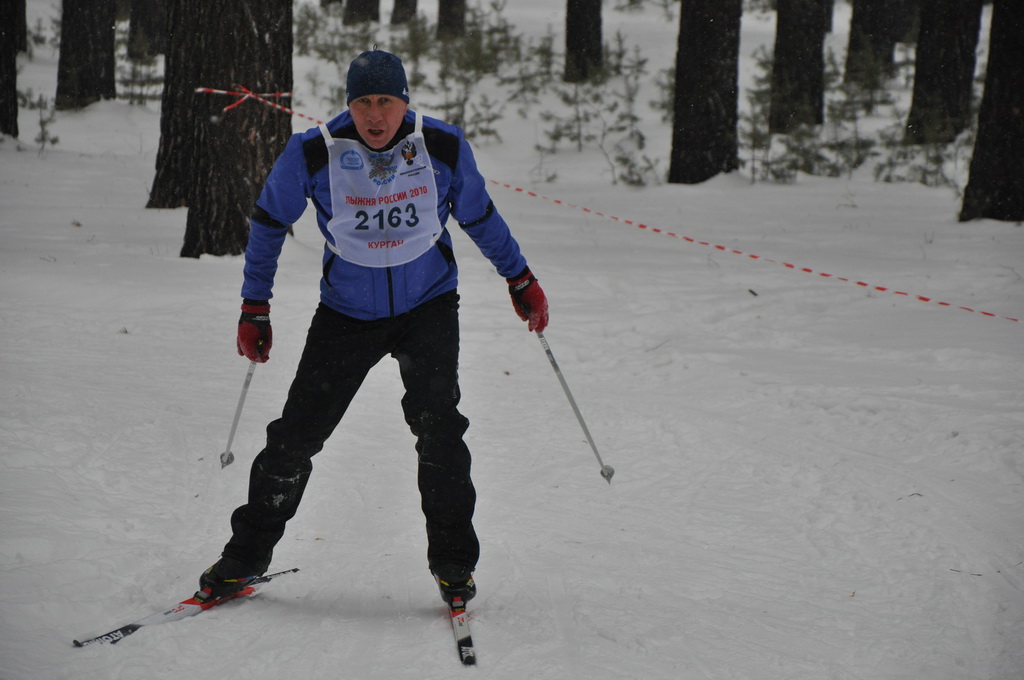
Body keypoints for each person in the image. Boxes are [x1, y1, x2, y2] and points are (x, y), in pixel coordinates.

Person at [196, 50, 548, 608]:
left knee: (440, 432)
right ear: (349, 104)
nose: (374, 115)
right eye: (362, 102)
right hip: (346, 314)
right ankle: (244, 557)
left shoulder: (443, 146)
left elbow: (478, 215)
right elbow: (268, 222)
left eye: (385, 100)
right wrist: (254, 307)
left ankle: (454, 564)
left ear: (405, 100)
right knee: (294, 438)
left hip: (428, 306)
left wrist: (520, 278)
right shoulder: (313, 151)